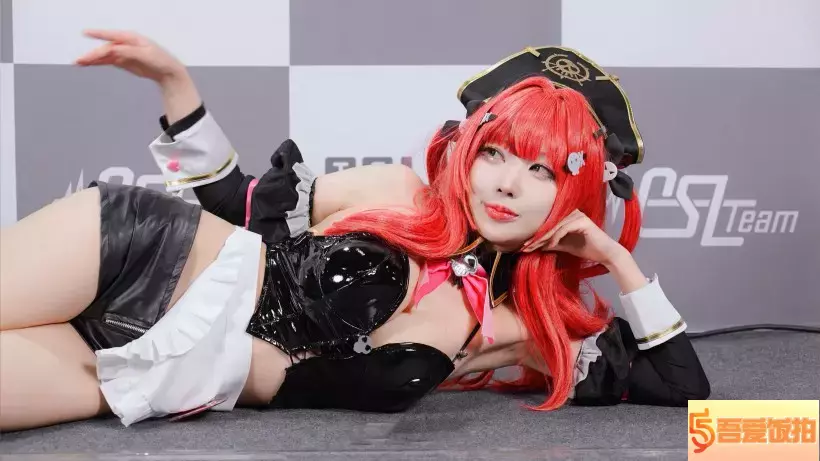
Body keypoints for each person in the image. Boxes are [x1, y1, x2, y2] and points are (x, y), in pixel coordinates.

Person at [0, 30, 710, 432]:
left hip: (147, 375)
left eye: (540, 169)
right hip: (138, 253)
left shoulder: (515, 327)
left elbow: (684, 387)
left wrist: (616, 259)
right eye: (493, 153)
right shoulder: (396, 192)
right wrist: (175, 84)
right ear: (466, 151)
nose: (505, 183)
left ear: (574, 194)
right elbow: (235, 202)